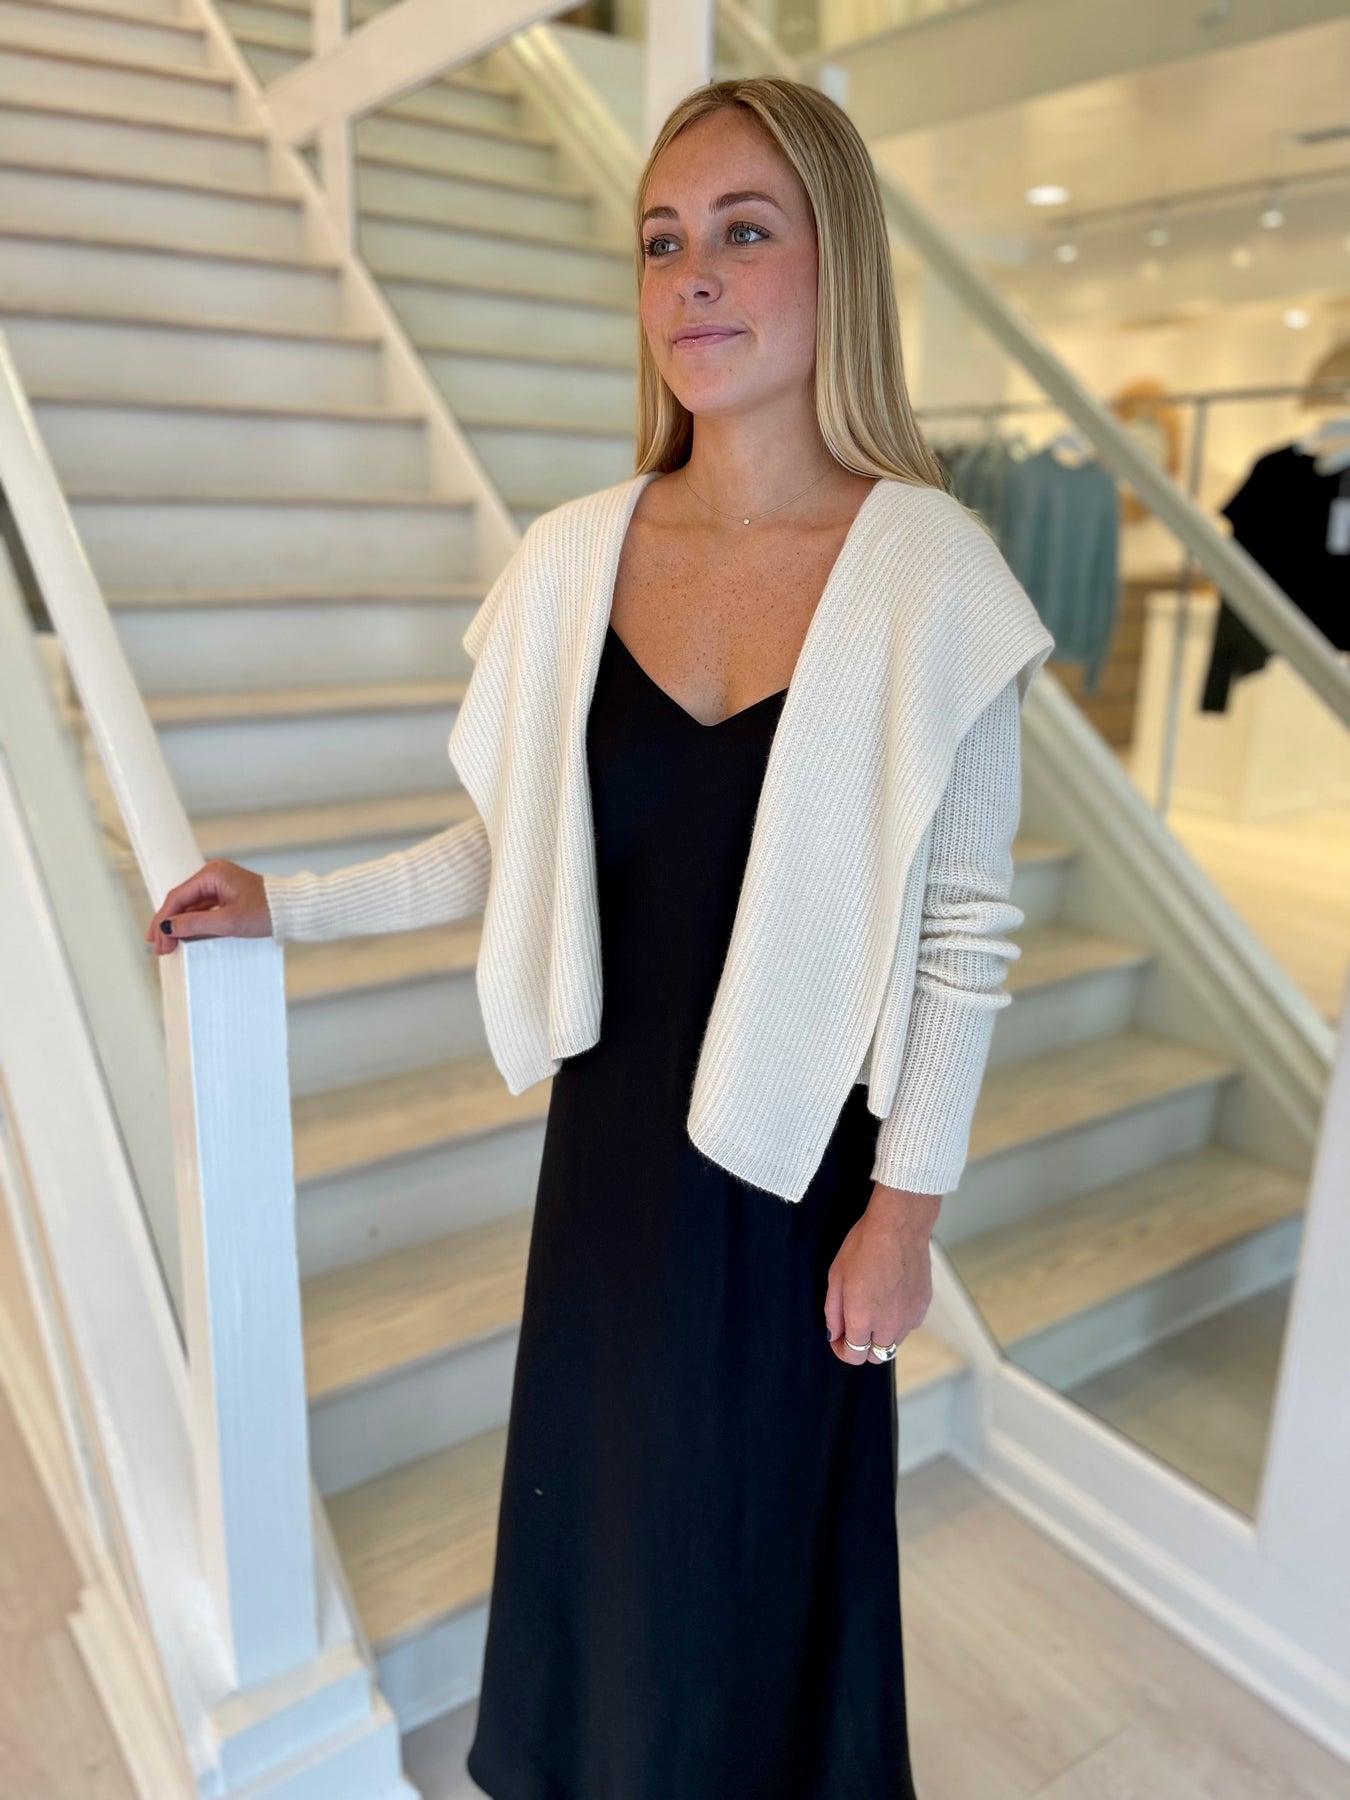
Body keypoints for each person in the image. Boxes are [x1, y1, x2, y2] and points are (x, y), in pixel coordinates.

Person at [147, 75, 1053, 1800]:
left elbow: (959, 933)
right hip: (611, 1154)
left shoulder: (928, 572)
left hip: (794, 1176)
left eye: (741, 232)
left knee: (758, 1563)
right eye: (659, 242)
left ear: (836, 263)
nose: (691, 276)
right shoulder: (574, 558)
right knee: (606, 1529)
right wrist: (292, 907)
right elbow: (517, 851)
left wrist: (904, 1214)